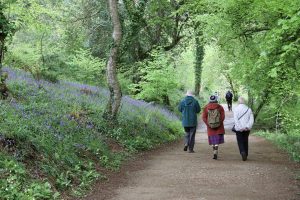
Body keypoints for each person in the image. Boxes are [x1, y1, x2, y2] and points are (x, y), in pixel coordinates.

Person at [202, 95, 225, 159]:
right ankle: (216, 149)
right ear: (216, 100)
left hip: (210, 127)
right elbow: (223, 117)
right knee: (217, 141)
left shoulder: (206, 107)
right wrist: (219, 123)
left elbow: (203, 117)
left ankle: (214, 150)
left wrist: (208, 124)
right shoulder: (220, 107)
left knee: (212, 140)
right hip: (219, 127)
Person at [233, 97, 254, 161]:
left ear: (238, 102)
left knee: (240, 141)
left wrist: (239, 128)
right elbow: (251, 119)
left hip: (239, 129)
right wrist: (247, 126)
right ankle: (246, 154)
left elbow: (236, 120)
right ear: (244, 102)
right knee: (245, 140)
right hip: (246, 129)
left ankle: (242, 152)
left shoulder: (236, 109)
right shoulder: (249, 109)